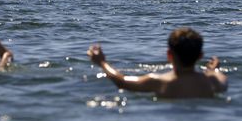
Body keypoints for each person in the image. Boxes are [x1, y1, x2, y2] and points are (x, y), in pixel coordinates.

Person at [87, 27, 228, 98]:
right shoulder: (213, 81)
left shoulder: (159, 81)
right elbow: (219, 76)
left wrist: (102, 62)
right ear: (200, 56)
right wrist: (213, 69)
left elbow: (122, 82)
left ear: (169, 55)